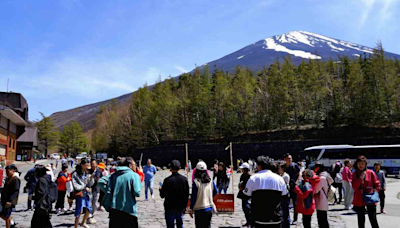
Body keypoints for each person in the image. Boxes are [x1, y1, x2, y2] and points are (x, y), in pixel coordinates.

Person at [243, 156, 288, 228]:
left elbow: (246, 195)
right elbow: (285, 196)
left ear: (260, 166)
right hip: (275, 218)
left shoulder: (254, 178)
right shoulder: (279, 179)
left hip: (258, 218)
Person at [98, 157, 142, 228]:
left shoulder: (114, 175)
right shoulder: (134, 175)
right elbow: (137, 193)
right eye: (134, 164)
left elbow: (101, 181)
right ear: (130, 165)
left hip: (114, 211)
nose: (135, 166)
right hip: (129, 211)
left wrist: (110, 190)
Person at [352, 156, 380, 228]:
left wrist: (375, 191)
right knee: (361, 219)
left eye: (362, 163)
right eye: (359, 163)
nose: (360, 165)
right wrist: (361, 178)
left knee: (373, 218)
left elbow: (377, 184)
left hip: (370, 198)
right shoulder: (355, 174)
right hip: (359, 199)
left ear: (365, 164)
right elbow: (354, 187)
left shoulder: (370, 172)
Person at [160, 160, 189, 228]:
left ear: (171, 169)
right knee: (180, 224)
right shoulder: (184, 180)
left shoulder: (167, 180)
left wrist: (161, 190)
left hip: (169, 207)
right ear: (179, 169)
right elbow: (186, 194)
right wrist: (185, 206)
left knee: (170, 225)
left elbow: (162, 195)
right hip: (180, 207)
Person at [190, 161, 218, 228]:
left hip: (199, 209)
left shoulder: (196, 182)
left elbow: (194, 196)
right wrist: (210, 197)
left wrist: (191, 208)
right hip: (209, 208)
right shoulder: (211, 180)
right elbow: (216, 191)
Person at [72, 159, 94, 228]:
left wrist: (91, 178)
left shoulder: (86, 173)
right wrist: (84, 187)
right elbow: (75, 185)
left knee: (88, 209)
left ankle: (83, 222)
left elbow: (90, 184)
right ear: (82, 165)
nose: (87, 166)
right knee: (79, 211)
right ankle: (75, 226)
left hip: (86, 194)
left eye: (88, 165)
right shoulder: (75, 174)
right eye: (85, 165)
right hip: (80, 194)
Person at [313, 163, 333, 228]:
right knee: (324, 219)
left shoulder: (321, 178)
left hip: (321, 200)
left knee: (322, 220)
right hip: (324, 199)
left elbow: (316, 190)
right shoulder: (326, 176)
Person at [284, 153, 301, 225]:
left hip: (293, 186)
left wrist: (297, 182)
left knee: (295, 203)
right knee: (286, 202)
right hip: (286, 186)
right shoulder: (284, 167)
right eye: (288, 158)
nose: (290, 159)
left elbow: (299, 174)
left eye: (290, 158)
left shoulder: (295, 165)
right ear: (285, 159)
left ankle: (295, 218)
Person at [87, 159, 102, 224]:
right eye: (91, 164)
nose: (92, 165)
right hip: (90, 189)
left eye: (93, 164)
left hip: (97, 188)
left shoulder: (99, 171)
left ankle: (92, 214)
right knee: (89, 202)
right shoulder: (88, 171)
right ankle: (89, 215)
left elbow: (99, 179)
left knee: (95, 202)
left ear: (96, 164)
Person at [237, 162, 251, 227]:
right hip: (243, 194)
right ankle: (247, 221)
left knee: (248, 208)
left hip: (248, 195)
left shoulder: (249, 176)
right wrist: (239, 186)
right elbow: (240, 182)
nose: (241, 170)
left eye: (243, 169)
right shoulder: (242, 175)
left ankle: (250, 221)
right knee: (244, 208)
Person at [277, 164, 290, 228]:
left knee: (285, 212)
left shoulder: (285, 176)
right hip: (281, 195)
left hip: (285, 196)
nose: (278, 170)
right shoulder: (280, 176)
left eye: (279, 168)